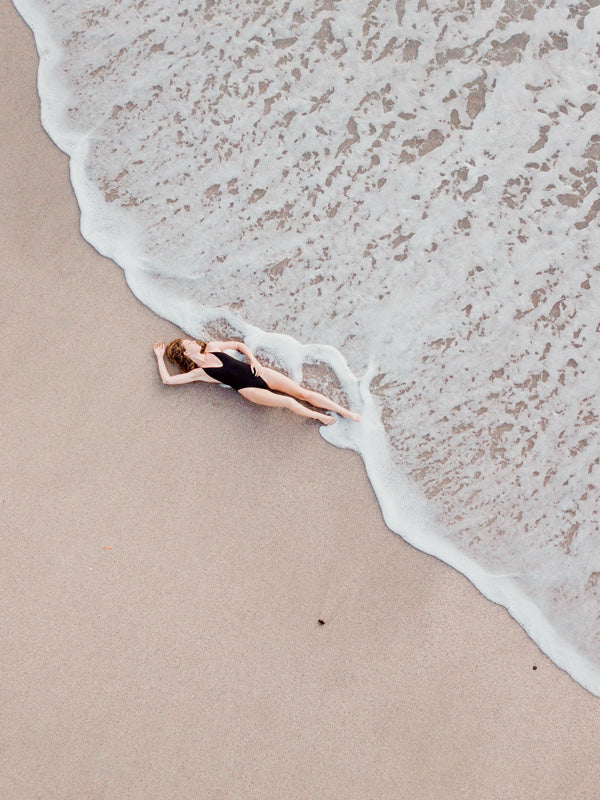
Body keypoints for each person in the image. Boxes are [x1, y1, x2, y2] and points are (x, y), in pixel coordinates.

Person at [153, 337, 361, 425]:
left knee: (301, 393)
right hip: (248, 389)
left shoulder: (213, 347)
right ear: (185, 353)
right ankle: (319, 417)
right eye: (186, 343)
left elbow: (239, 345)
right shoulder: (199, 372)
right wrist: (160, 357)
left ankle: (344, 411)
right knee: (288, 402)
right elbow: (168, 380)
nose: (190, 341)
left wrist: (253, 360)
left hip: (258, 372)